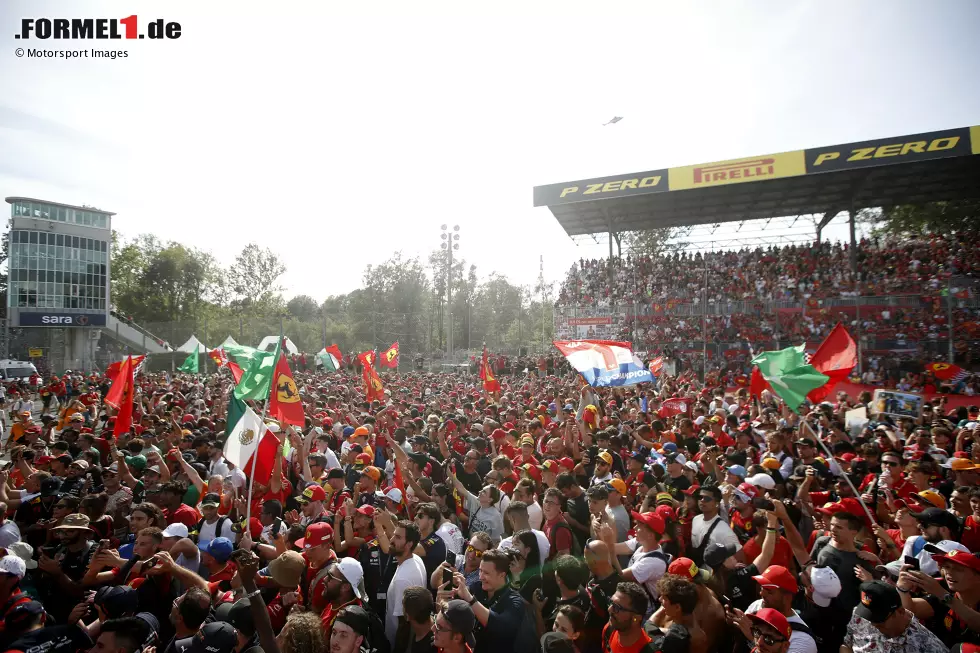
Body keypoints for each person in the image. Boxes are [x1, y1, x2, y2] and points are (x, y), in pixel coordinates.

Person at [452, 549, 528, 653]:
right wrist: (444, 597)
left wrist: (471, 600)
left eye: (486, 573)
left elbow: (500, 626)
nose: (481, 577)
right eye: (480, 571)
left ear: (502, 575)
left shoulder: (515, 601)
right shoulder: (476, 588)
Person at [841, 581, 947, 653]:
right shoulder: (860, 616)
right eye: (869, 617)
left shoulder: (926, 647)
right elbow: (846, 645)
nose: (873, 624)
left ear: (900, 611)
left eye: (880, 619)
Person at [386, 521, 427, 647]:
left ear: (409, 544)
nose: (391, 540)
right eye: (393, 535)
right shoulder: (416, 558)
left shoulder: (402, 580)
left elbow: (404, 624)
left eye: (398, 537)